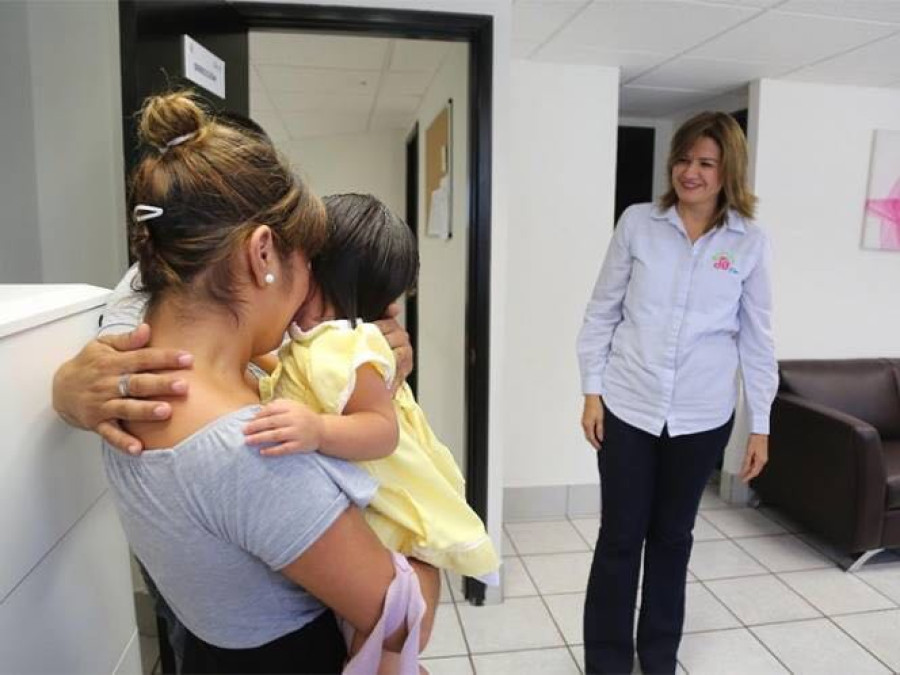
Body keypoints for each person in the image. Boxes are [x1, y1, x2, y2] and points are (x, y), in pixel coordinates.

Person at [91, 90, 437, 673]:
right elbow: (404, 621)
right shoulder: (256, 451)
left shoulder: (124, 366)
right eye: (309, 265)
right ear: (263, 254)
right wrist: (434, 540)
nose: (308, 293)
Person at [577, 111, 777, 674]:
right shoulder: (638, 224)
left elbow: (758, 339)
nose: (691, 172)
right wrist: (591, 392)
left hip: (702, 415)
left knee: (673, 537)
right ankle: (607, 662)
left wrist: (760, 425)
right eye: (684, 160)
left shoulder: (749, 243)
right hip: (629, 405)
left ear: (728, 171)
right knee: (620, 537)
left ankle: (659, 655)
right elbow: (601, 311)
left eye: (706, 163)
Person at [244, 193, 500, 585]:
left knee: (376, 598)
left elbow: (382, 429)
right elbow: (286, 380)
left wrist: (317, 430)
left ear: (321, 274)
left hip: (382, 511)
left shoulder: (343, 345)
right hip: (354, 509)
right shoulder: (314, 342)